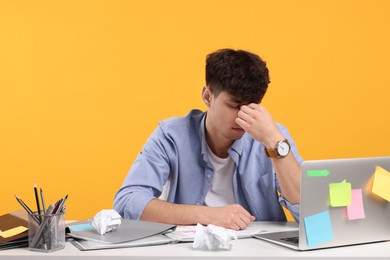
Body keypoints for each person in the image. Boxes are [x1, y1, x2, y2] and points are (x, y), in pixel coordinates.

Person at [114, 48, 303, 230]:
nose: (244, 117)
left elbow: (309, 213)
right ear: (207, 96)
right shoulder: (171, 135)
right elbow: (128, 201)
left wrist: (275, 144)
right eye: (234, 105)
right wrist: (209, 215)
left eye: (252, 107)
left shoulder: (274, 136)